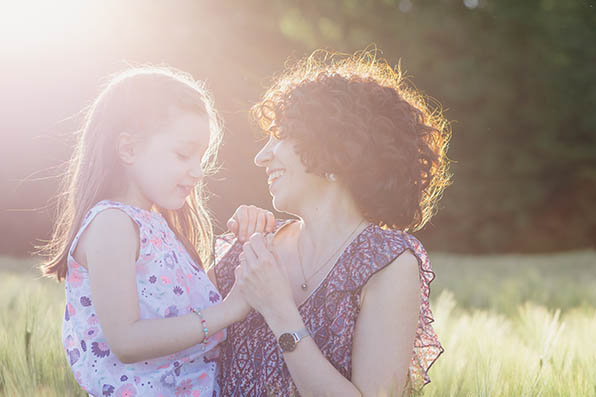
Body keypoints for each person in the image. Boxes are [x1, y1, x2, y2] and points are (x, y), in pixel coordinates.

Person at [214, 50, 450, 396]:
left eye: (279, 136)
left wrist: (279, 310)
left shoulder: (387, 264)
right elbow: (160, 341)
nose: (260, 156)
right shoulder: (251, 246)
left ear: (334, 149)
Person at [39, 66, 273, 396]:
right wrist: (229, 311)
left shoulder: (157, 225)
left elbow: (186, 306)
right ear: (129, 150)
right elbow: (126, 340)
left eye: (202, 157)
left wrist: (247, 237)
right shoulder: (112, 225)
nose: (198, 171)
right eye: (183, 154)